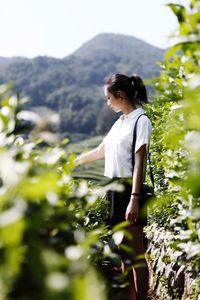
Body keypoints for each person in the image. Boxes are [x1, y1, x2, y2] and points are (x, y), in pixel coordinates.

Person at [75, 73, 152, 300]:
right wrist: (73, 161)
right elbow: (101, 151)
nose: (107, 103)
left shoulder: (141, 120)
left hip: (130, 190)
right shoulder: (120, 122)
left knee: (136, 255)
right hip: (114, 190)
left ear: (119, 95)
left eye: (109, 98)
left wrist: (134, 198)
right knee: (123, 254)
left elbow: (140, 162)